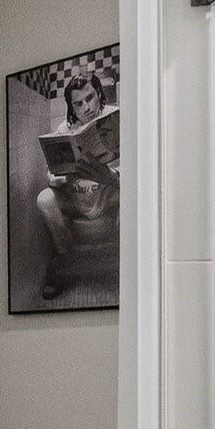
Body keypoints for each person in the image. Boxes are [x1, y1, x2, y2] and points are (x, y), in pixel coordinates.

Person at [35, 70, 121, 301]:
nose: (86, 107)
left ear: (99, 93)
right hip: (78, 198)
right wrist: (61, 177)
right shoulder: (66, 129)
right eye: (78, 103)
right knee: (44, 199)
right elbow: (50, 175)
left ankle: (126, 262)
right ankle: (65, 259)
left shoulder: (115, 121)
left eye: (90, 98)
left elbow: (136, 177)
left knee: (138, 196)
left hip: (109, 199)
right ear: (72, 106)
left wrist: (111, 176)